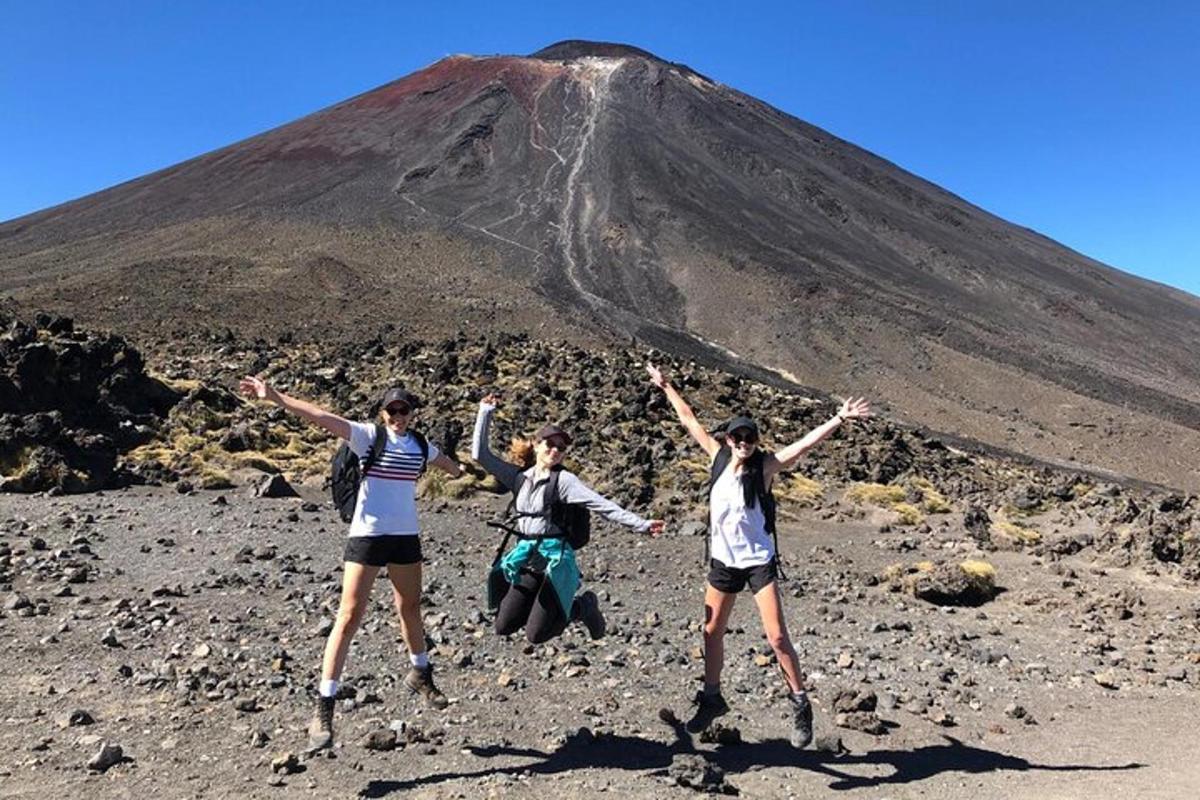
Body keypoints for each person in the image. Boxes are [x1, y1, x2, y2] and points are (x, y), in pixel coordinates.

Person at [645, 362, 870, 749]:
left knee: (778, 636)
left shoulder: (765, 468)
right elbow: (689, 420)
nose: (744, 442)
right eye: (738, 436)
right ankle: (712, 699)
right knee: (711, 631)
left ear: (755, 440)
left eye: (750, 437)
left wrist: (838, 418)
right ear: (729, 438)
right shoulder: (717, 458)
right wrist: (666, 387)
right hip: (722, 561)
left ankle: (800, 702)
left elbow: (803, 446)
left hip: (758, 562)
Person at [238, 377, 463, 752]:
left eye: (404, 409)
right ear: (383, 412)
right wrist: (276, 398)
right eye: (392, 409)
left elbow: (448, 465)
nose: (398, 416)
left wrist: (460, 470)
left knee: (409, 606)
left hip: (405, 537)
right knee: (349, 616)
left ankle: (421, 673)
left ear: (413, 413)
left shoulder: (421, 445)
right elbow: (320, 416)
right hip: (368, 536)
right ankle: (324, 707)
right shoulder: (366, 436)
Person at [470, 393, 665, 644]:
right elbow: (480, 455)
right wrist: (484, 411)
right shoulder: (519, 477)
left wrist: (641, 524)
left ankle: (582, 607)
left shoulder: (564, 481)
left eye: (561, 448)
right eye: (550, 444)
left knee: (535, 635)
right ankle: (541, 606)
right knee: (504, 625)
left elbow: (601, 505)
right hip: (527, 556)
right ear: (536, 445)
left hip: (555, 561)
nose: (555, 450)